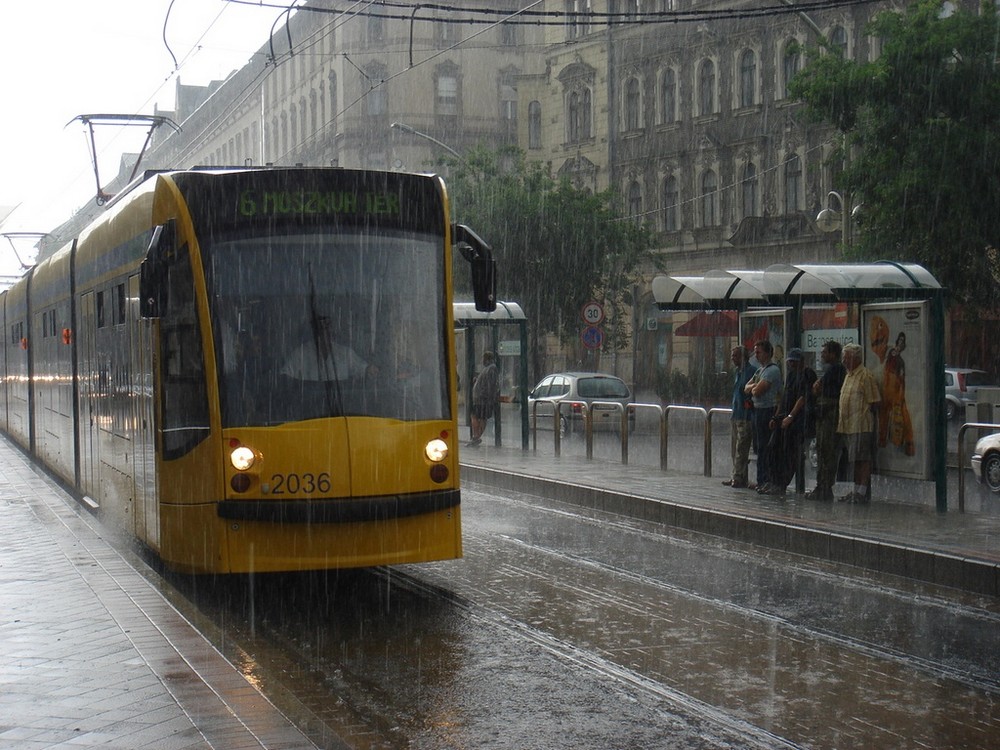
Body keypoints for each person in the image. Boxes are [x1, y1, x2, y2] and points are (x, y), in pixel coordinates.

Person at [760, 348, 816, 497]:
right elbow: (784, 397)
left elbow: (802, 398)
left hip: (797, 421)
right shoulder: (791, 375)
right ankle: (773, 481)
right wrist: (776, 417)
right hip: (784, 418)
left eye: (793, 361)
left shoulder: (807, 374)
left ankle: (782, 484)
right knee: (773, 448)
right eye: (789, 361)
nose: (791, 364)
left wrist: (791, 416)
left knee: (790, 454)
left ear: (800, 361)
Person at [836, 343, 881, 504]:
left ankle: (862, 492)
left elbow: (874, 402)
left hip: (861, 425)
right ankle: (855, 490)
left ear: (855, 358)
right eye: (843, 357)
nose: (844, 361)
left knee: (862, 459)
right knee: (854, 460)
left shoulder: (865, 376)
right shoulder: (849, 375)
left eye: (846, 357)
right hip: (847, 426)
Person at [806, 340, 847, 502]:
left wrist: (818, 389)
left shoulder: (835, 370)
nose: (822, 355)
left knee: (827, 452)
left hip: (829, 417)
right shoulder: (831, 370)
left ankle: (824, 486)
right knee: (823, 451)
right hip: (825, 416)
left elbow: (819, 389)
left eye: (825, 352)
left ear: (833, 354)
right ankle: (822, 486)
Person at [280, 317, 377, 382]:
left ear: (332, 332)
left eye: (327, 329)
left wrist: (369, 369)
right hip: (305, 407)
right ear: (314, 332)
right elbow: (284, 377)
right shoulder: (300, 355)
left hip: (343, 408)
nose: (324, 333)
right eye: (321, 329)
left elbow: (363, 369)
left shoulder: (345, 353)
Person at [744, 340, 782, 491]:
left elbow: (757, 390)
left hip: (768, 410)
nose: (756, 355)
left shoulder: (772, 370)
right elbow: (747, 388)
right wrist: (753, 387)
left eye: (758, 352)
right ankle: (761, 480)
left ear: (767, 353)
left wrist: (753, 388)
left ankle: (767, 479)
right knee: (759, 447)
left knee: (766, 447)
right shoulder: (760, 371)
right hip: (757, 410)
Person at [722, 345, 757, 488]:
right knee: (735, 448)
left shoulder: (751, 372)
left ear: (743, 357)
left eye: (735, 356)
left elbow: (752, 391)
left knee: (741, 448)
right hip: (736, 414)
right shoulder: (738, 372)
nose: (732, 358)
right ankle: (738, 476)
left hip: (745, 416)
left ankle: (738, 478)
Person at [468, 351, 499, 446]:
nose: (482, 361)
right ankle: (476, 437)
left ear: (487, 359)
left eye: (483, 358)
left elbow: (490, 385)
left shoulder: (491, 368)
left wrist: (486, 396)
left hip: (482, 399)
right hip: (481, 398)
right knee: (480, 417)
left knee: (478, 417)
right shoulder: (488, 369)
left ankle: (476, 437)